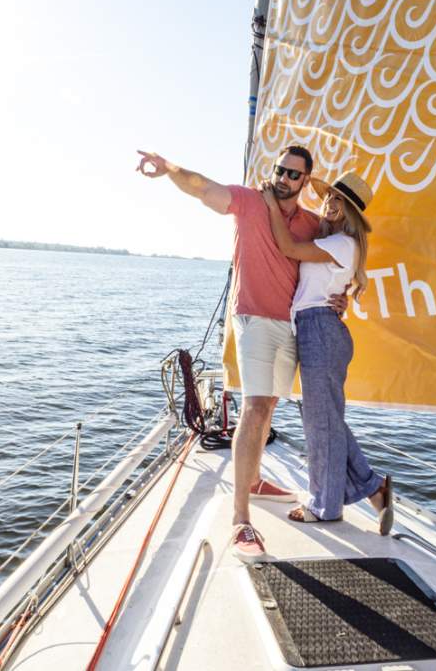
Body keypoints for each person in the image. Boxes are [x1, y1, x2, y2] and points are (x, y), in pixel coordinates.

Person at [135, 145, 347, 562]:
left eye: (293, 175)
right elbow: (203, 189)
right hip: (251, 319)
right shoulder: (250, 201)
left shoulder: (311, 224)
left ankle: (250, 481)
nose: (284, 179)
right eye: (281, 171)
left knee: (268, 407)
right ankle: (240, 518)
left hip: (290, 323)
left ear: (305, 181)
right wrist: (168, 169)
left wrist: (346, 300)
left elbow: (339, 262)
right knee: (253, 408)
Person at [260, 171, 393, 532]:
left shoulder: (344, 243)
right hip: (316, 327)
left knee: (320, 423)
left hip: (320, 328)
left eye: (340, 202)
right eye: (330, 197)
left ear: (350, 212)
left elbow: (287, 247)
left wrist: (271, 203)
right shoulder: (334, 241)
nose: (330, 205)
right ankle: (372, 488)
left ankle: (325, 506)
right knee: (325, 419)